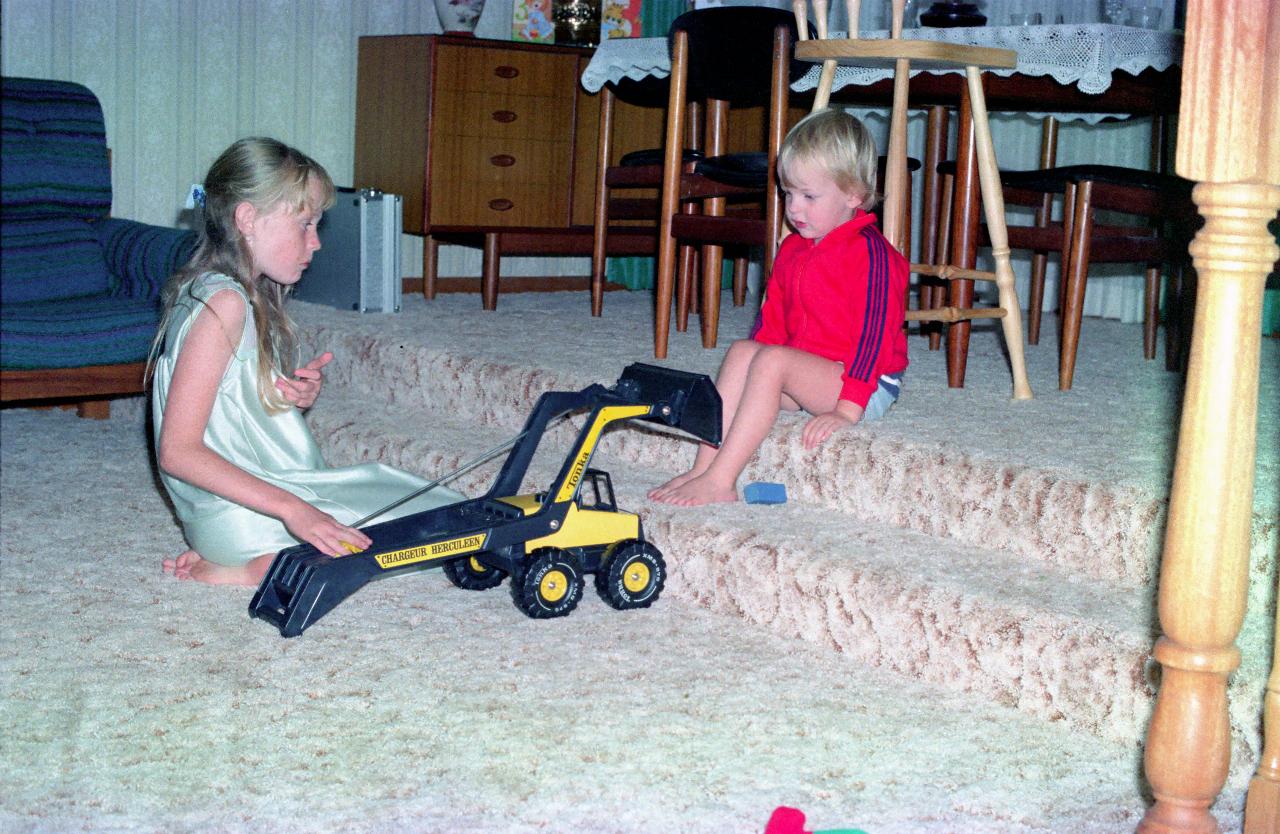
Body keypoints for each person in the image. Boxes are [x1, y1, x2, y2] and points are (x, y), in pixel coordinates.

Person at [149, 137, 462, 586]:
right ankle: (244, 569)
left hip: (239, 502)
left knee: (423, 500)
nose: (315, 243)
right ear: (247, 219)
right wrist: (296, 511)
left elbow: (226, 410)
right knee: (435, 531)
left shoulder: (218, 289)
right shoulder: (224, 303)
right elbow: (178, 452)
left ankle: (249, 552)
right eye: (305, 224)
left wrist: (280, 398)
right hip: (241, 515)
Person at [649, 108, 909, 507]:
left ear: (854, 195)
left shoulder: (875, 256)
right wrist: (759, 360)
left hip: (863, 383)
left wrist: (847, 410)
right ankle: (704, 467)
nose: (794, 208)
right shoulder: (793, 247)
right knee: (744, 352)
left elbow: (874, 340)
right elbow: (770, 325)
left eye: (809, 196)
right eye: (788, 193)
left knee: (772, 363)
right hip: (808, 370)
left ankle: (722, 480)